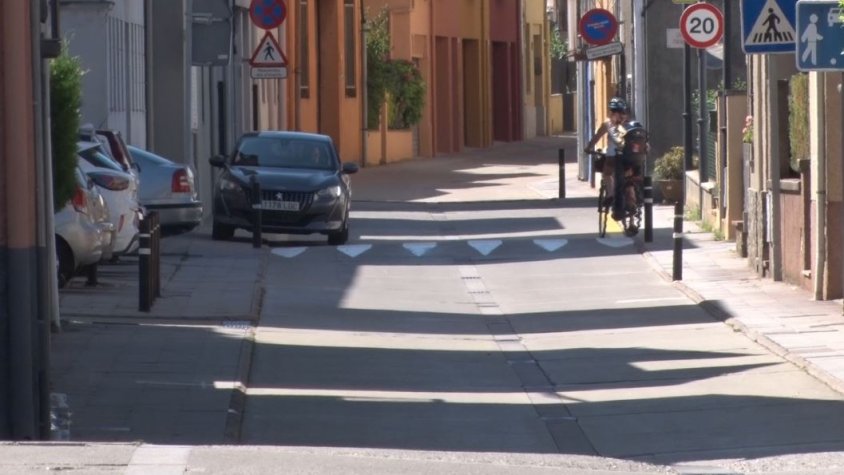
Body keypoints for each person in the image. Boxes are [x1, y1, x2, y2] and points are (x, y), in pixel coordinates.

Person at [585, 97, 630, 205]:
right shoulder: (628, 124)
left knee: (607, 174)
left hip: (612, 156)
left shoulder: (608, 124)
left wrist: (588, 148)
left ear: (611, 111)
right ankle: (630, 198)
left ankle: (610, 194)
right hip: (628, 156)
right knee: (627, 176)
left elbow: (597, 137)